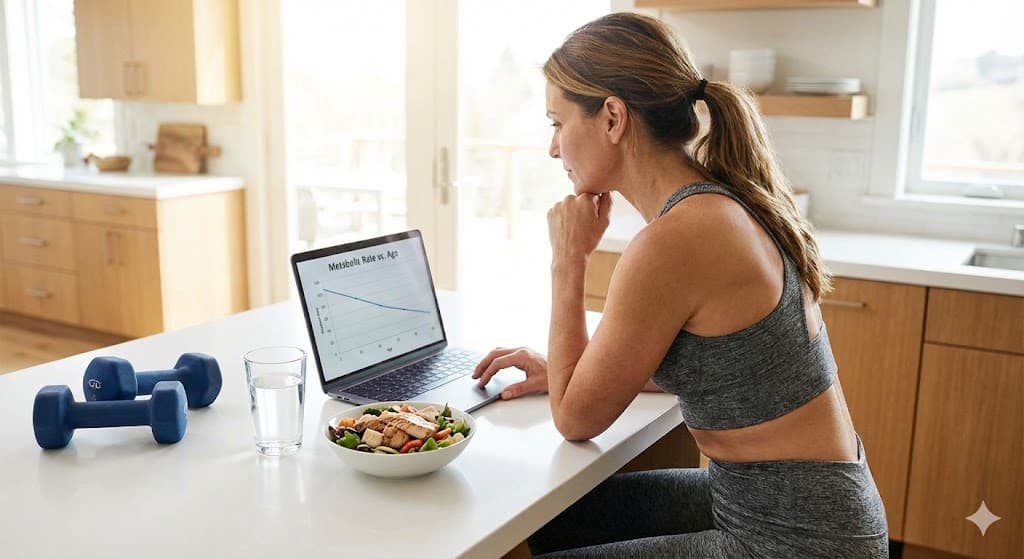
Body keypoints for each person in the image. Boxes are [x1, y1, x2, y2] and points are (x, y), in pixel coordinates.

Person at [471, 12, 889, 559]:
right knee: (561, 519)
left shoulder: (674, 242)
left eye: (556, 123)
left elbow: (575, 421)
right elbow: (725, 371)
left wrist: (569, 260)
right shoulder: (728, 200)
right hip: (810, 507)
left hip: (796, 537)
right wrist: (571, 373)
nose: (553, 148)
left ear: (613, 118)